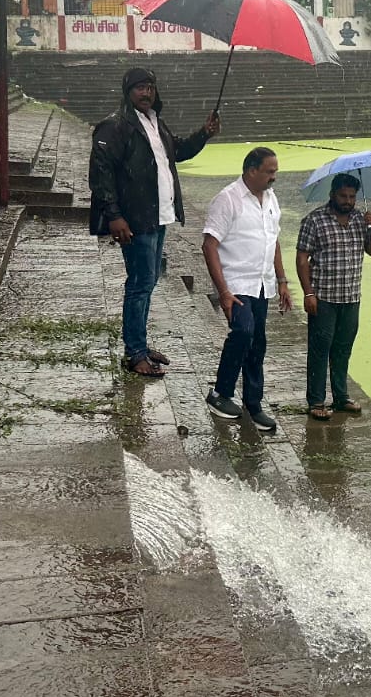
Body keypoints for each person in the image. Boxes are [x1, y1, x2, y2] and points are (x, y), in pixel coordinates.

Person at [89, 67, 219, 378]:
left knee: (147, 283)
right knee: (140, 284)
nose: (146, 93)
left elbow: (180, 151)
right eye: (139, 88)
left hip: (159, 214)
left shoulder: (155, 124)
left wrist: (204, 133)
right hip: (135, 218)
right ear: (127, 92)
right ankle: (135, 353)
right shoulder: (115, 126)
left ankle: (140, 345)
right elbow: (101, 174)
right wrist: (115, 216)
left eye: (150, 87)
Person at [202, 146, 292, 431]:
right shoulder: (228, 199)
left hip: (263, 283)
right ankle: (220, 393)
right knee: (243, 331)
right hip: (237, 282)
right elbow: (209, 244)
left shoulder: (271, 199)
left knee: (258, 342)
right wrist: (224, 292)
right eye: (269, 171)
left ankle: (253, 403)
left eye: (275, 172)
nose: (273, 177)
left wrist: (282, 280)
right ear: (251, 170)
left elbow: (273, 241)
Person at [295, 172, 371, 421]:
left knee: (343, 349)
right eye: (343, 196)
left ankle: (341, 397)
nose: (347, 201)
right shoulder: (314, 220)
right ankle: (316, 401)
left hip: (351, 296)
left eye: (352, 197)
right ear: (332, 194)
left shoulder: (360, 220)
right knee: (320, 349)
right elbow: (302, 258)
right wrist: (308, 292)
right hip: (323, 297)